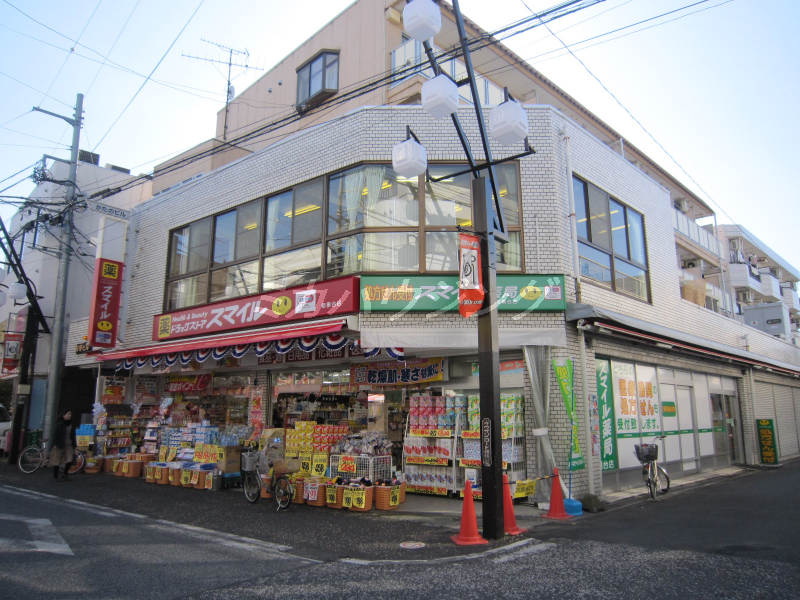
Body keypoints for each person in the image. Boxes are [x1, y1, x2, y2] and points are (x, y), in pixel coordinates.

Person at [50, 410, 76, 481]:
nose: (69, 415)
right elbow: (55, 435)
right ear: (63, 415)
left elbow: (73, 435)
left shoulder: (71, 425)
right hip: (60, 444)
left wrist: (74, 445)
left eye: (70, 414)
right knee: (57, 460)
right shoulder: (59, 424)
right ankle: (55, 476)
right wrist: (55, 444)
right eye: (68, 414)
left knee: (70, 459)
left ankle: (65, 474)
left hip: (69, 444)